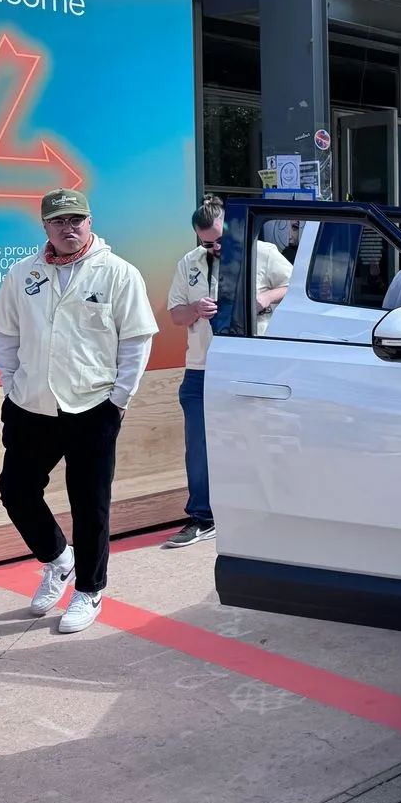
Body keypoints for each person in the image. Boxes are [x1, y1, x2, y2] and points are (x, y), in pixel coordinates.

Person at [0, 189, 158, 633]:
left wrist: (119, 399)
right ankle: (57, 559)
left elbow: (137, 340)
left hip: (92, 406)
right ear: (45, 227)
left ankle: (89, 590)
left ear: (89, 221)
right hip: (31, 404)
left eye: (76, 219)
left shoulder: (118, 273)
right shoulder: (23, 273)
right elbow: (6, 335)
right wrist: (10, 384)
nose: (69, 228)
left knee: (89, 504)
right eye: (59, 222)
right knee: (16, 489)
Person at [163, 194, 291, 549]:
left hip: (253, 365)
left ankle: (269, 512)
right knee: (199, 446)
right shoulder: (189, 263)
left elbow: (295, 285)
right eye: (206, 243)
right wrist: (194, 308)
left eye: (218, 240)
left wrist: (266, 298)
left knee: (261, 437)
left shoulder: (262, 252)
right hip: (202, 366)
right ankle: (202, 517)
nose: (213, 247)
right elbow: (175, 314)